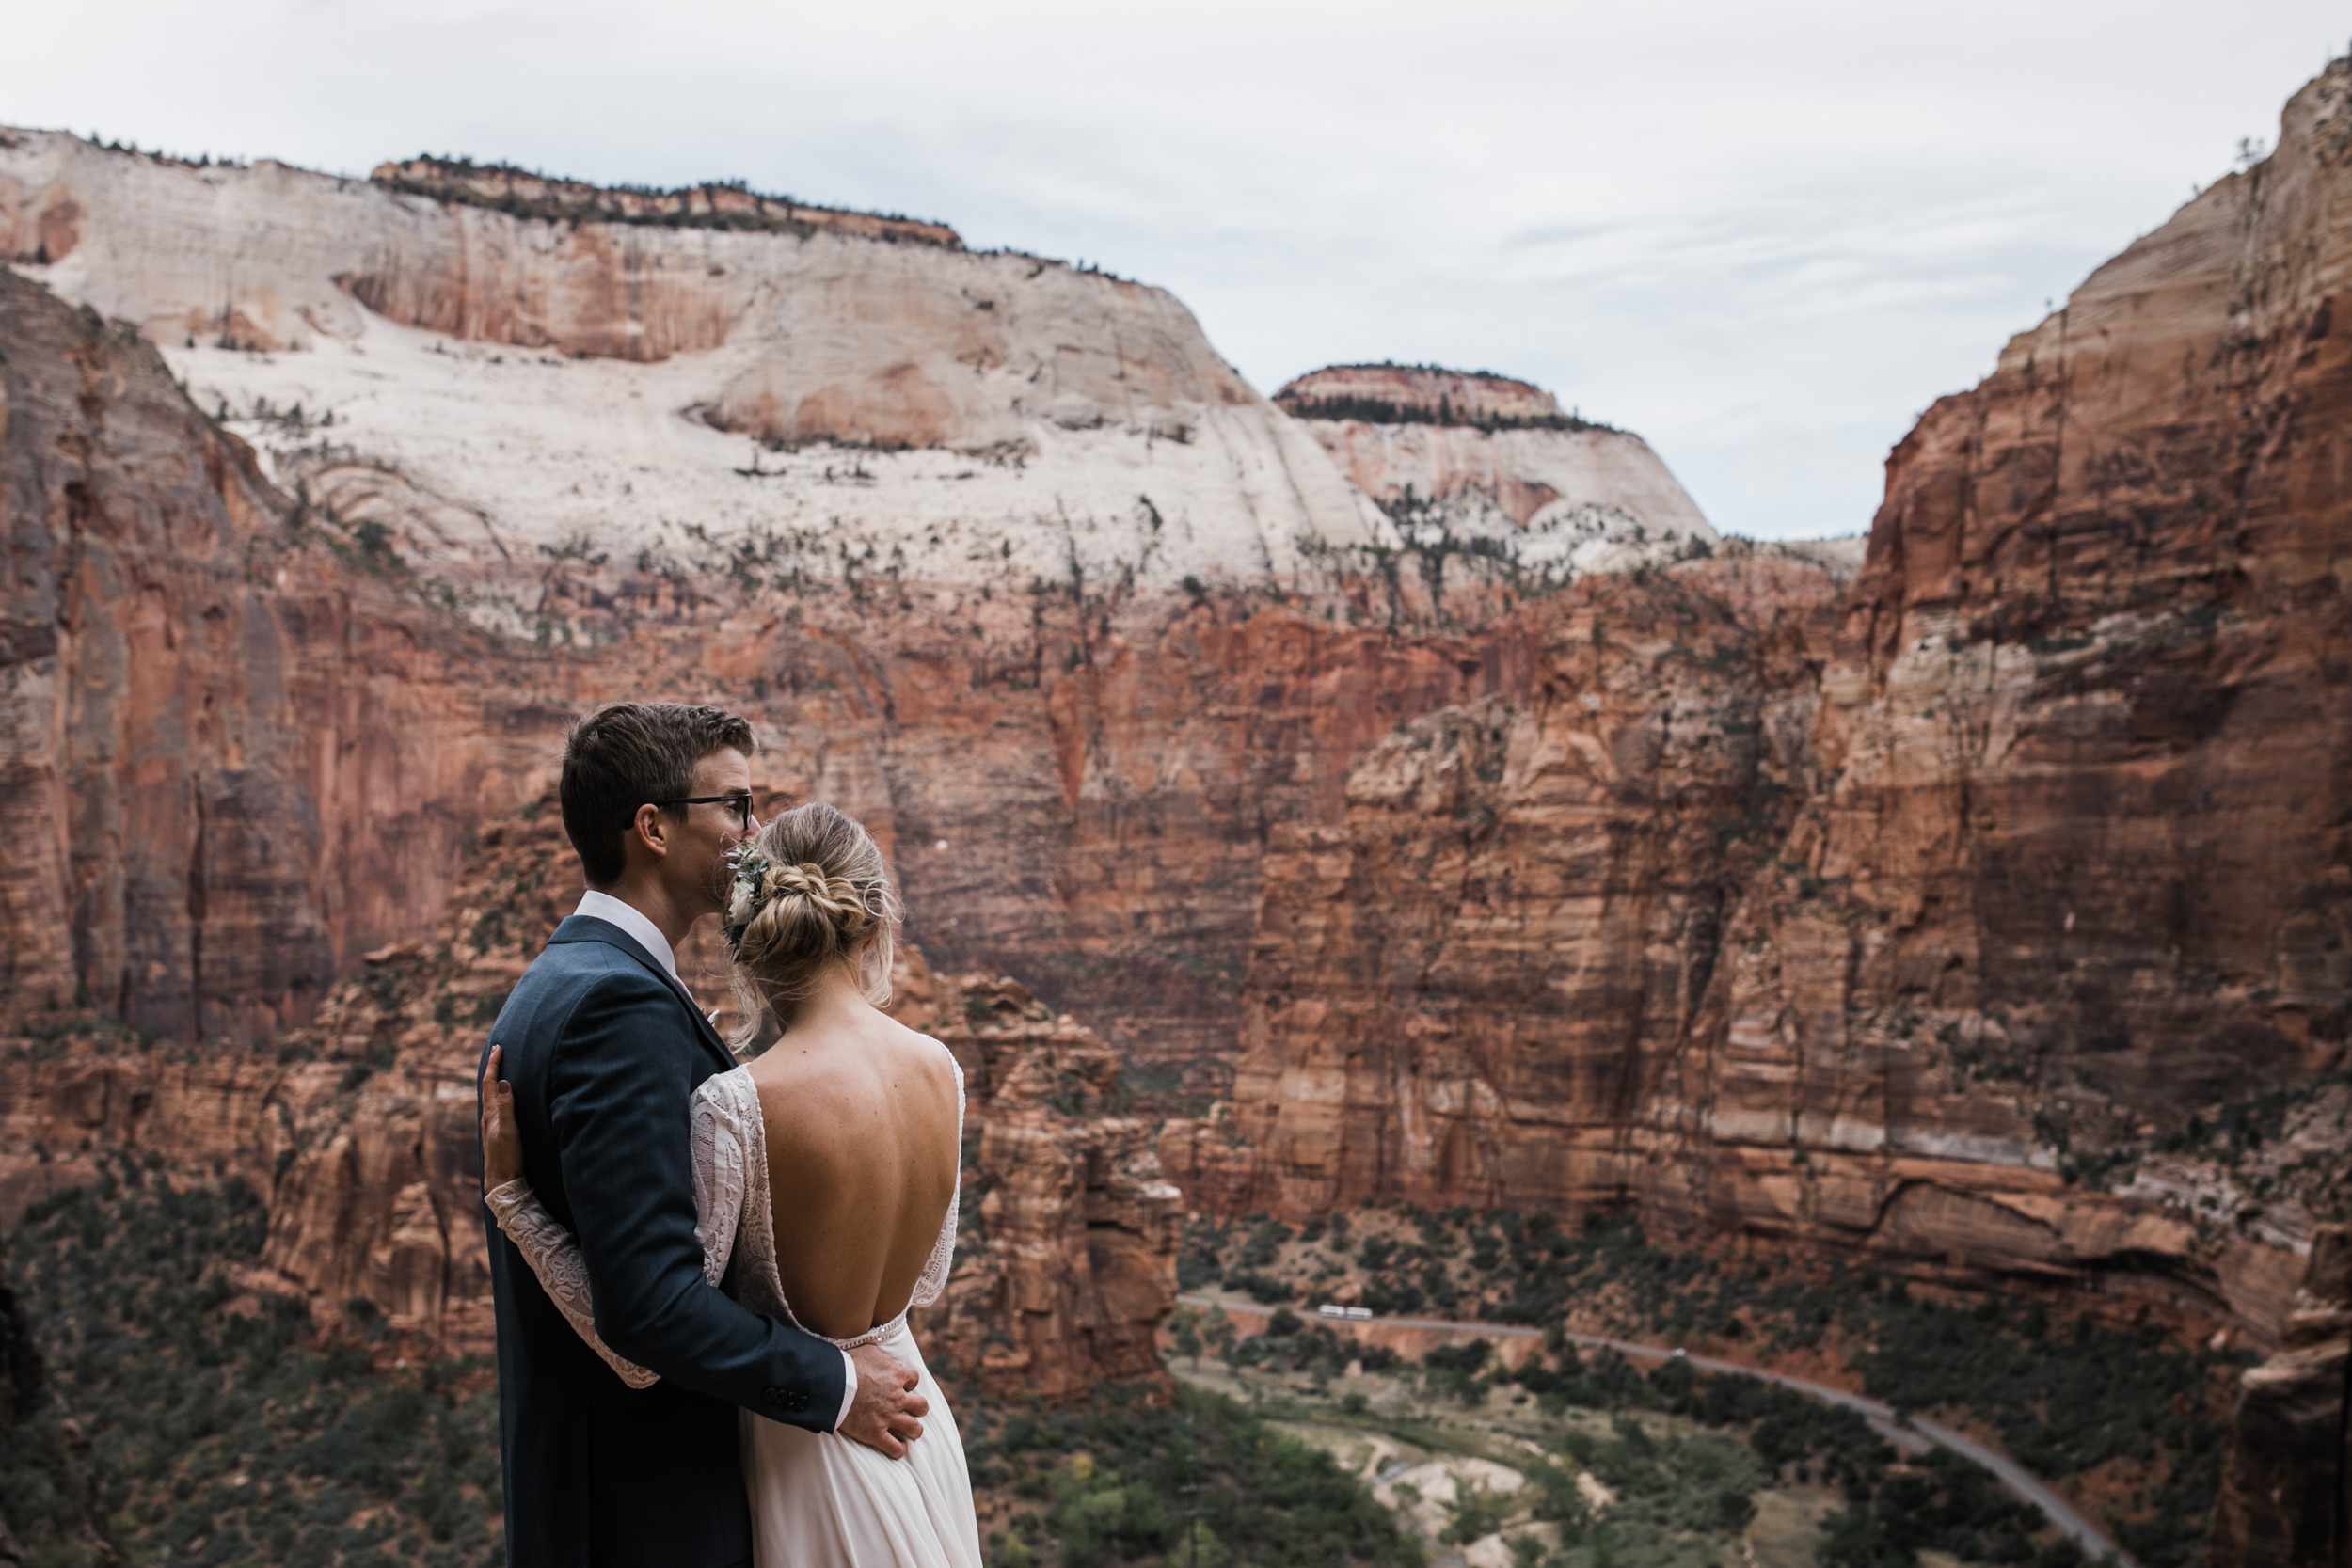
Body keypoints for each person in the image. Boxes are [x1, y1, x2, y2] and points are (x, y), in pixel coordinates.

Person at [481, 705, 980, 1567]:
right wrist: (837, 1381)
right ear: (654, 828)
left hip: (753, 1460)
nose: (754, 834)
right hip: (672, 1505)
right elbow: (653, 1311)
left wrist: (515, 1199)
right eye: (736, 805)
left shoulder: (569, 981)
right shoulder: (619, 1005)